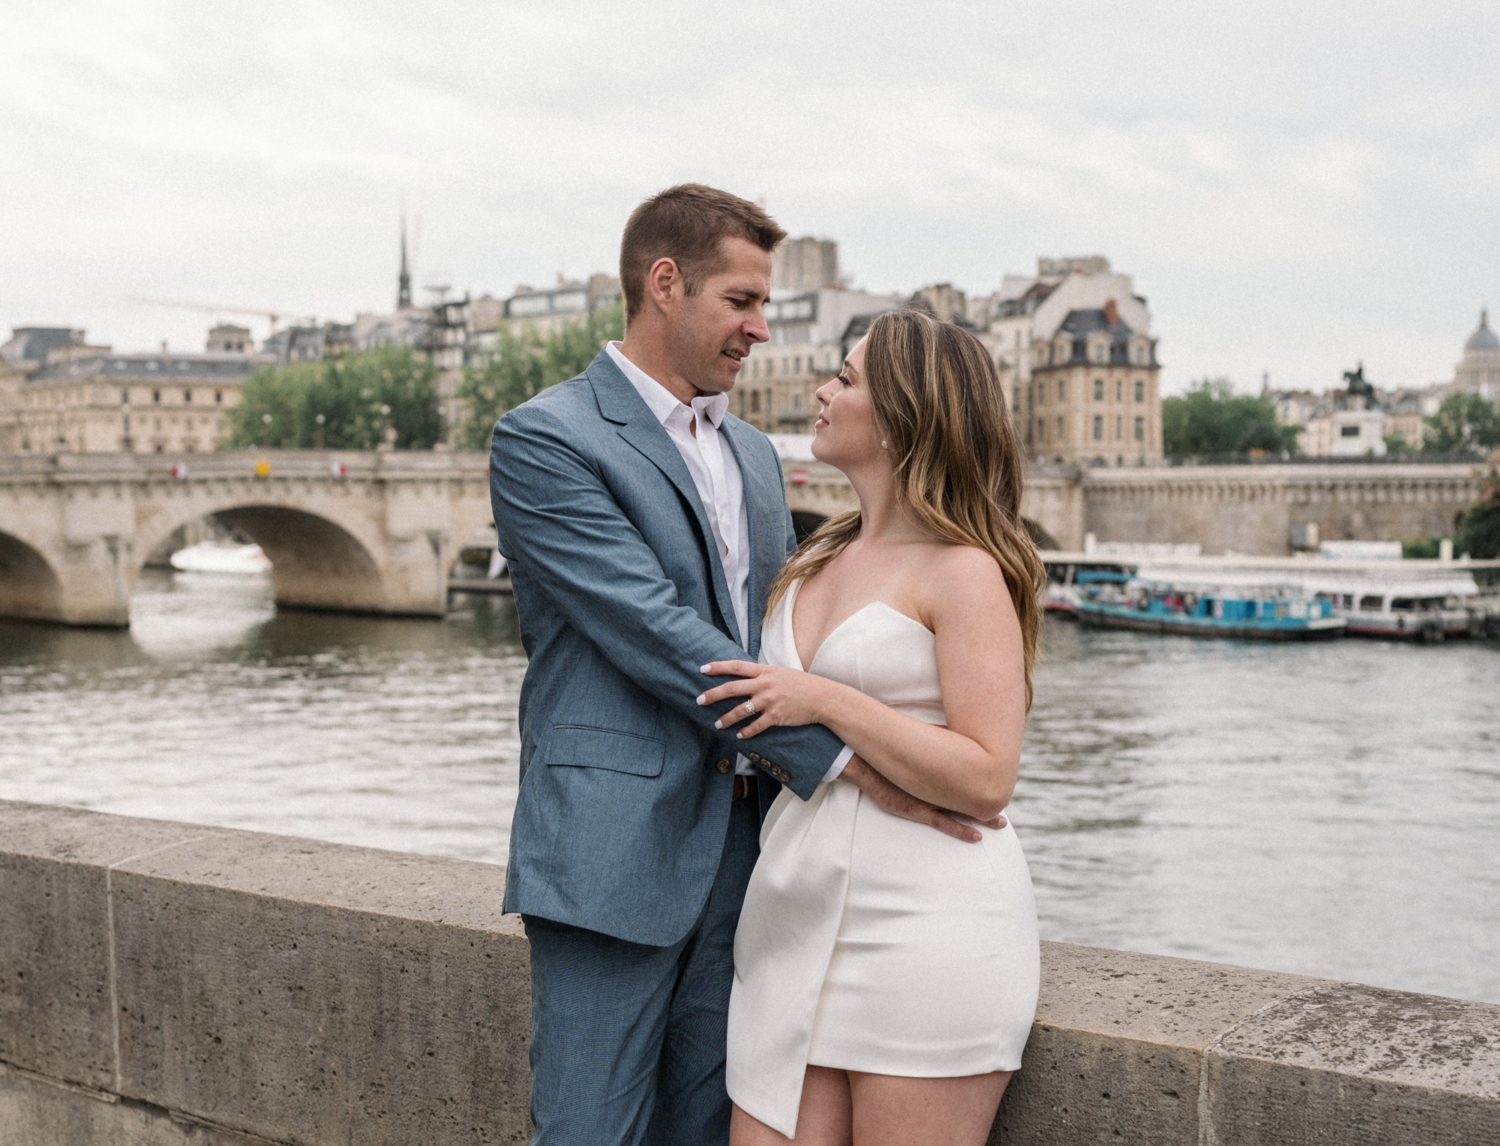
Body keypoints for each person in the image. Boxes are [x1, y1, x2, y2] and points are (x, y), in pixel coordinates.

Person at [488, 185, 994, 1146]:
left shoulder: (758, 456)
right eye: (742, 301)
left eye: (767, 304)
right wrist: (847, 759)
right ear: (665, 284)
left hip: (755, 858)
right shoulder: (547, 438)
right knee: (587, 1130)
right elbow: (653, 633)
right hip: (611, 851)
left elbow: (773, 636)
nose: (762, 328)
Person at [700, 310, 1045, 1145]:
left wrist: (829, 702)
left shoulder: (964, 571)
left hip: (928, 930)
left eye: (846, 379)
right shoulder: (814, 558)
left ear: (904, 415)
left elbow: (987, 775)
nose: (822, 391)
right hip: (788, 919)